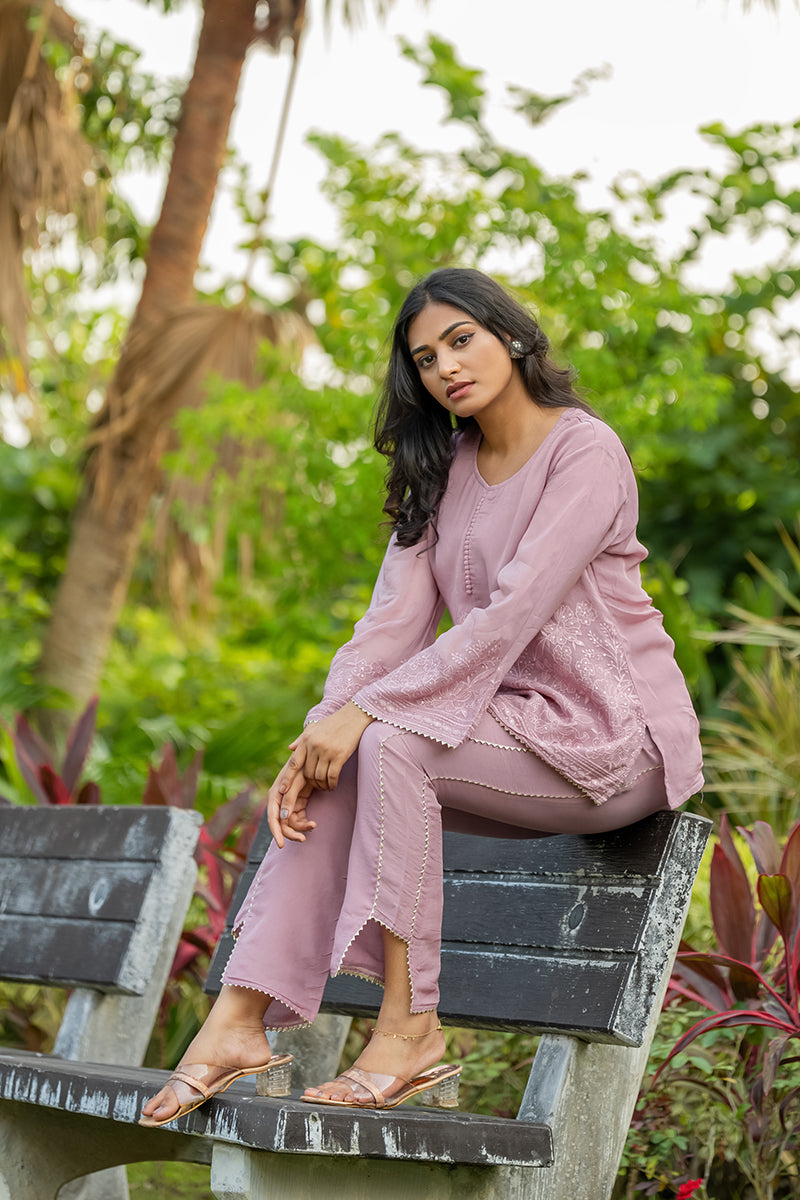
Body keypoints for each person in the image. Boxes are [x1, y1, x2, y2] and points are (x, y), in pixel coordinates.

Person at [140, 267, 703, 1125]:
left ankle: (408, 1031)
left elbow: (510, 615)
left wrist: (366, 718)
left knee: (388, 741)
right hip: (501, 729)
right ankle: (236, 1020)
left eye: (461, 339)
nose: (446, 366)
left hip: (613, 740)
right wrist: (317, 735)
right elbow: (388, 628)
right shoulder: (445, 470)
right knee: (344, 761)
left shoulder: (583, 449)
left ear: (510, 335)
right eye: (426, 356)